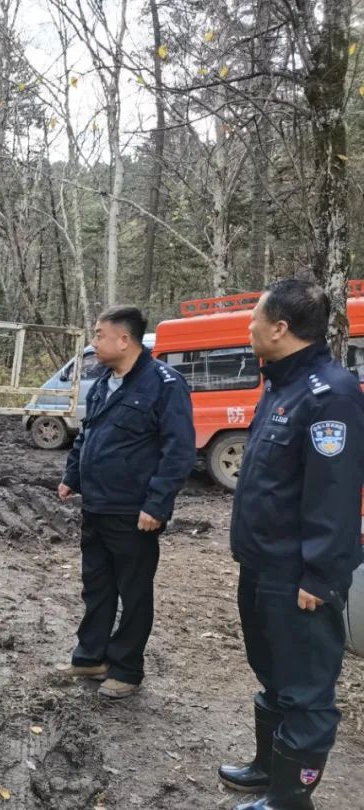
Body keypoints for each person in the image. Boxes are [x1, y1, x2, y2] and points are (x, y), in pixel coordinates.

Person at [218, 280, 364, 810]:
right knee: (273, 671)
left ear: (279, 329)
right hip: (261, 565)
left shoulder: (332, 393)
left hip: (299, 574)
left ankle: (289, 799)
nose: (249, 326)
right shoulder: (280, 386)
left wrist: (320, 574)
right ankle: (267, 769)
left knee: (305, 689)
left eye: (255, 317)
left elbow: (335, 495)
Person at [58, 306, 195, 699]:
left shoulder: (164, 384)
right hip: (97, 506)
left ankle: (126, 669)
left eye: (100, 335)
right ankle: (91, 657)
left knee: (133, 592)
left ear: (124, 339)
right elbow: (87, 435)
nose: (94, 342)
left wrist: (157, 505)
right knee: (97, 585)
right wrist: (72, 476)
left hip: (134, 512)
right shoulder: (104, 382)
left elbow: (179, 451)